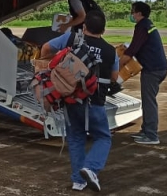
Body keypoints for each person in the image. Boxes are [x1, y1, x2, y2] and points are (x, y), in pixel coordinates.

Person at [43, 10, 119, 192]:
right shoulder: (110, 51)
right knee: (103, 137)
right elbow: (115, 77)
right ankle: (91, 168)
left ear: (84, 27)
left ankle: (78, 181)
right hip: (95, 102)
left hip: (70, 99)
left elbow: (46, 47)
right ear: (104, 30)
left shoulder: (70, 39)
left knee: (76, 137)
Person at [120, 1, 167, 145]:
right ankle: (146, 130)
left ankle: (151, 135)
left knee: (148, 103)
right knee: (148, 101)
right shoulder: (148, 24)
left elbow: (132, 50)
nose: (131, 14)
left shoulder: (141, 27)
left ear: (139, 13)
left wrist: (116, 65)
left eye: (133, 12)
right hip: (158, 68)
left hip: (152, 70)